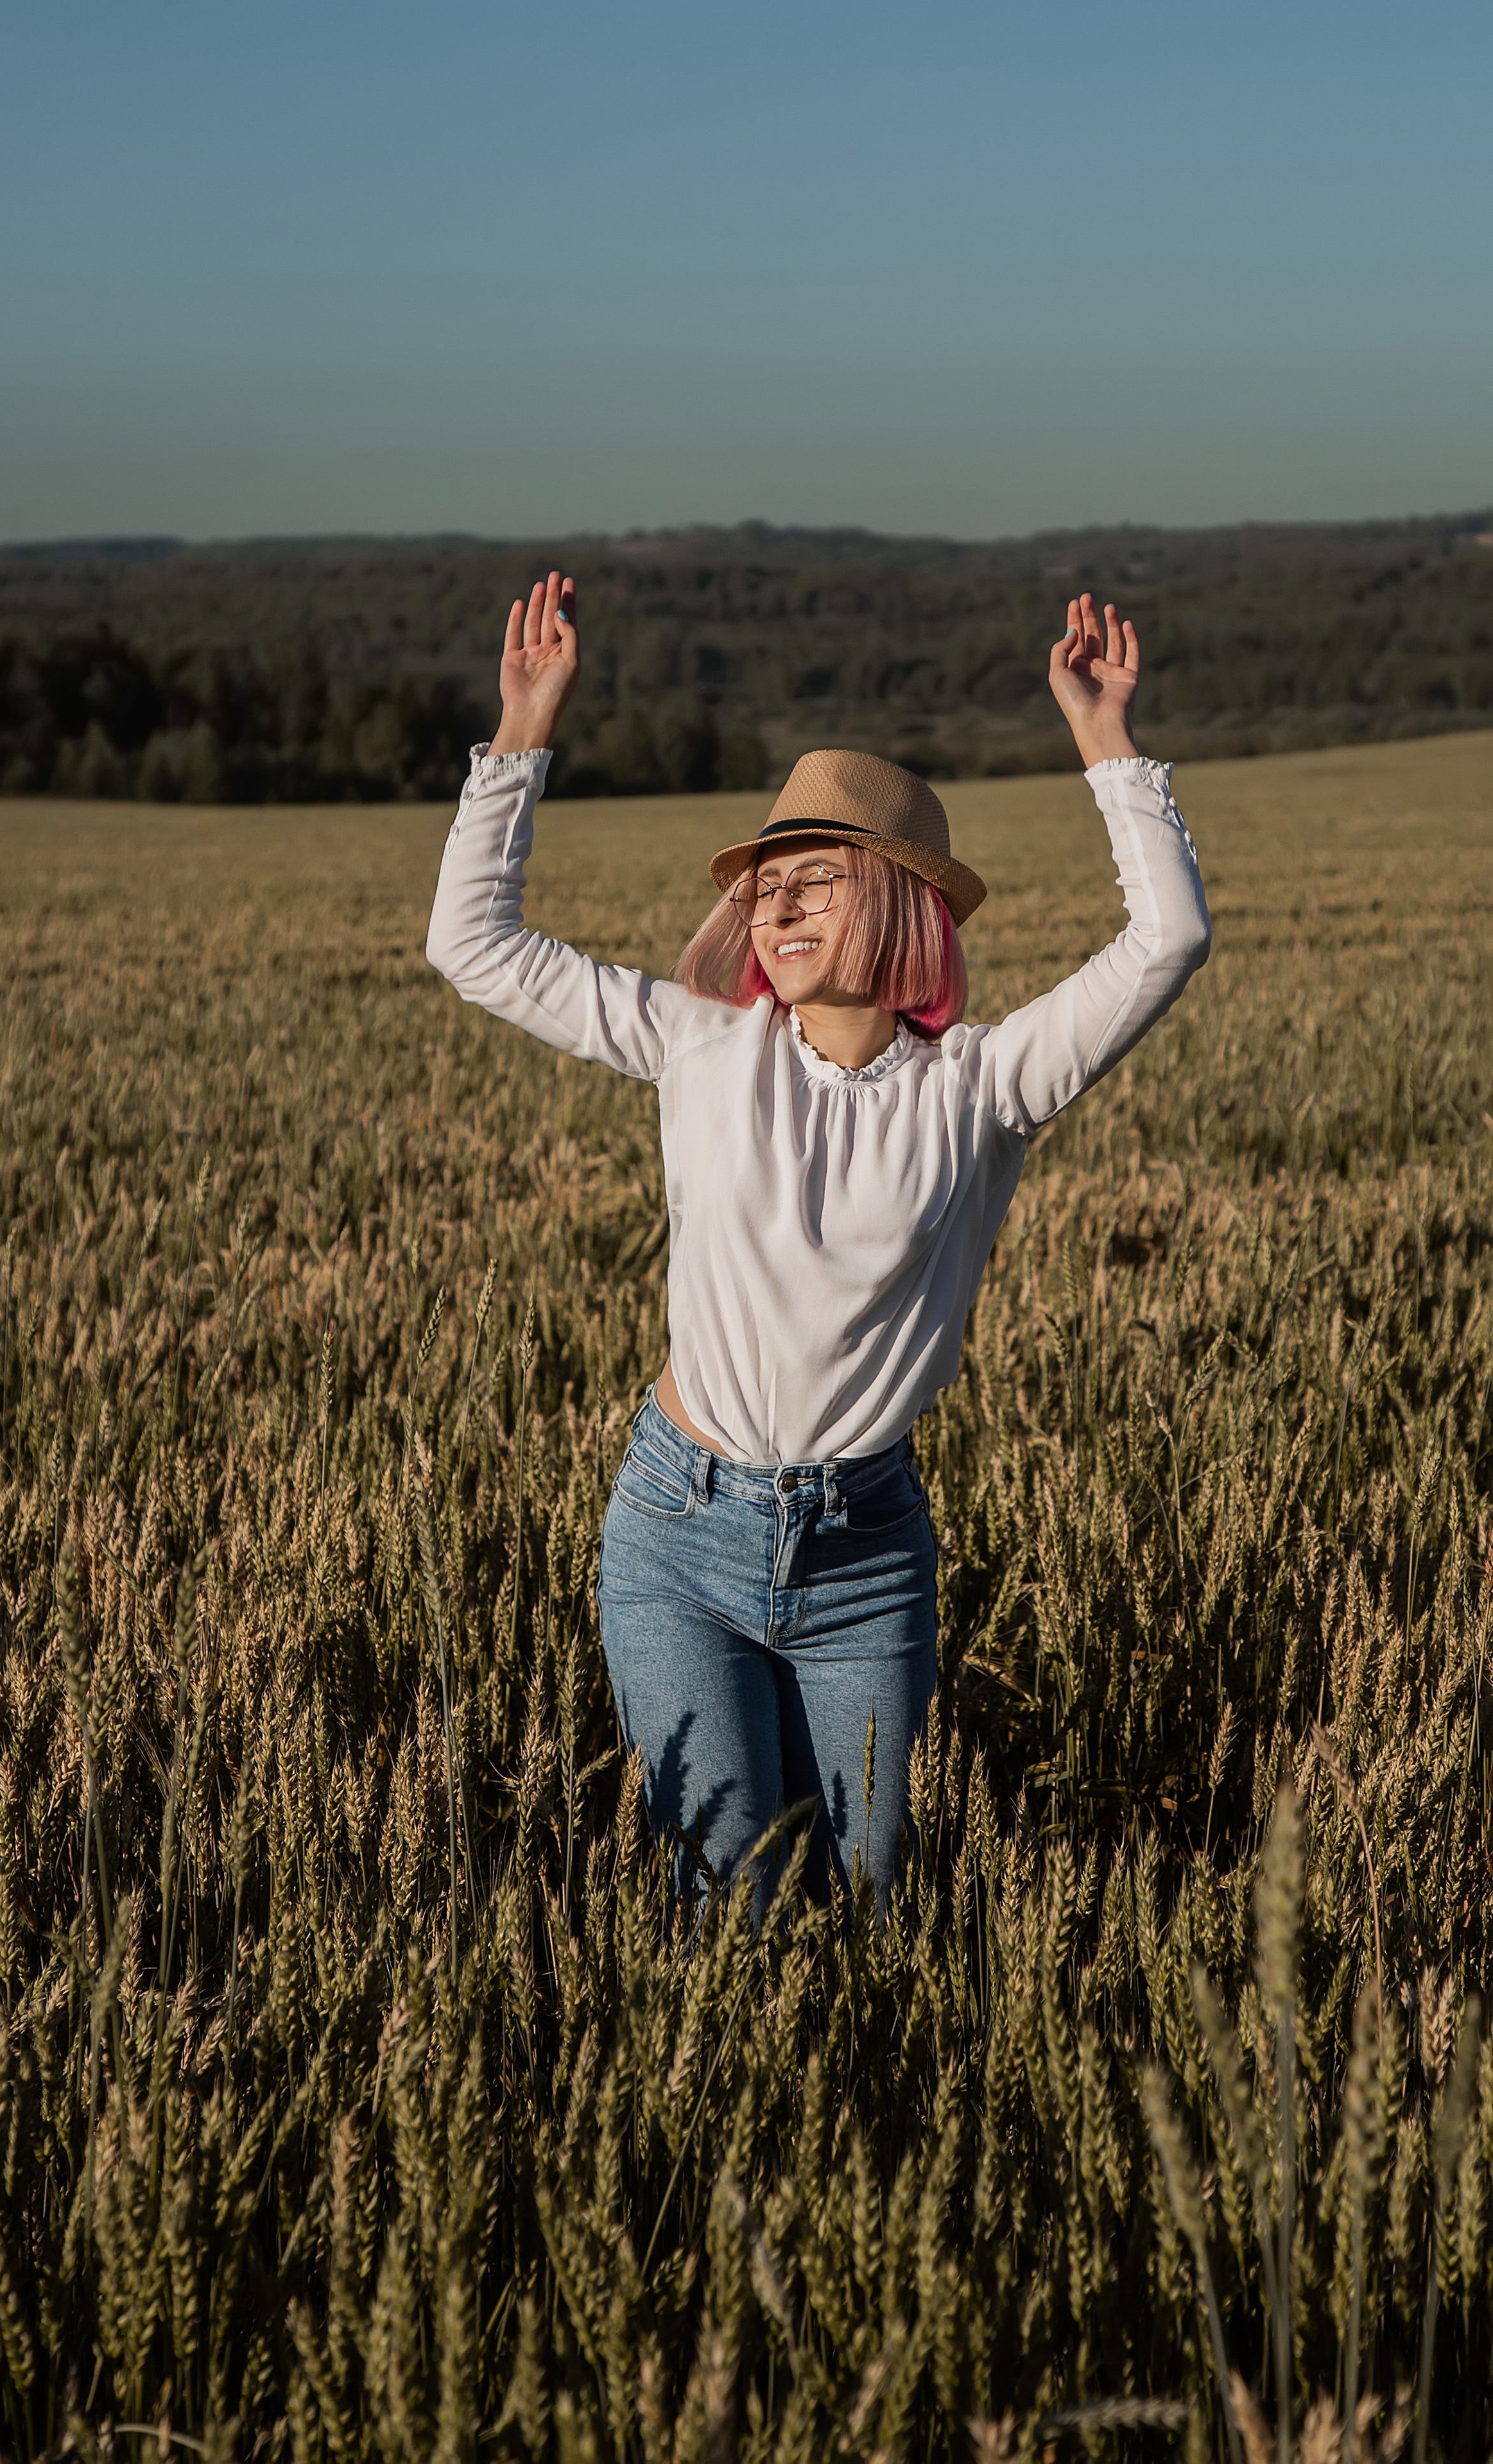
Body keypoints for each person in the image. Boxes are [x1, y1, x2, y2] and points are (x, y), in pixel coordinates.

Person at [426, 570, 1210, 1913]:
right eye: (765, 888)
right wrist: (523, 730)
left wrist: (1103, 738)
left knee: (869, 1902)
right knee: (736, 1911)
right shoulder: (701, 1048)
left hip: (863, 1551)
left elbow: (1166, 938)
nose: (775, 908)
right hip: (680, 1527)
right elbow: (470, 945)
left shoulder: (984, 1087)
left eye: (815, 882)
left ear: (906, 905)